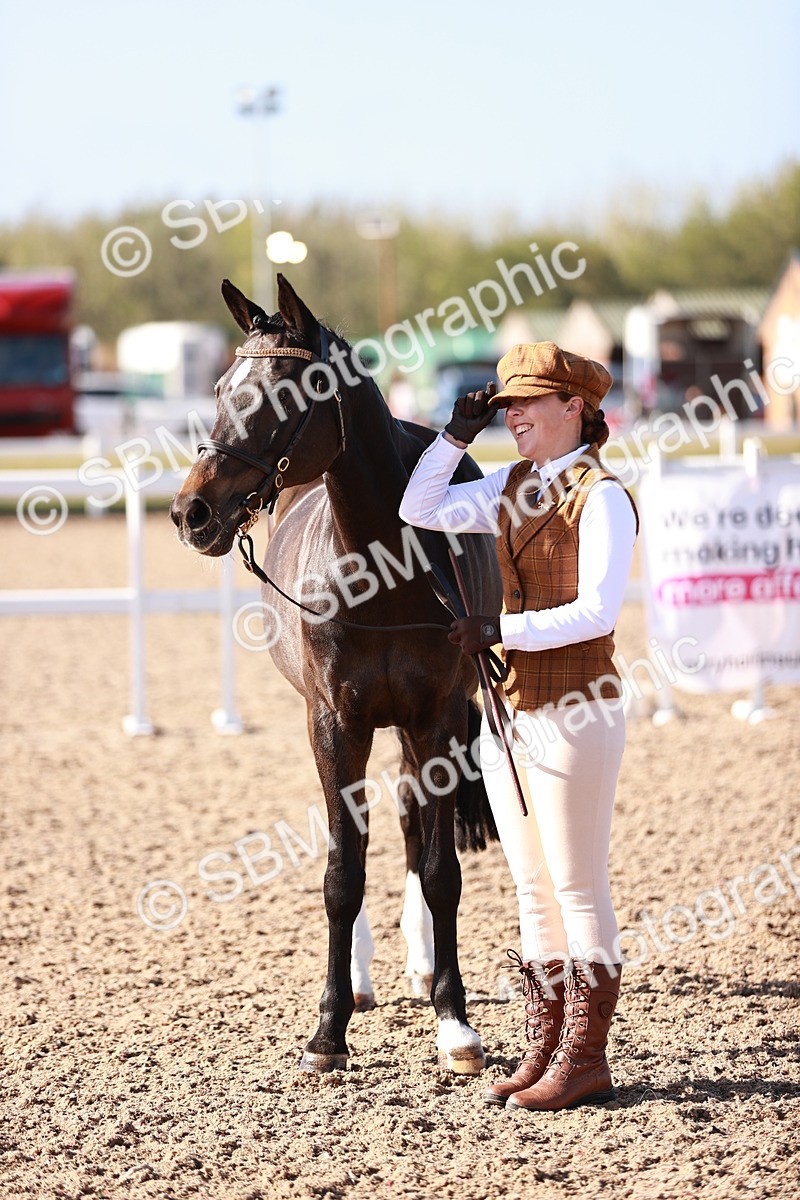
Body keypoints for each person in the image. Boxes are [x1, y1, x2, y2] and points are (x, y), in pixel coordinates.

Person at [398, 342, 638, 1113]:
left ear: (576, 408)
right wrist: (453, 439)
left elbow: (598, 611)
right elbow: (419, 509)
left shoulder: (600, 497)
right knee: (532, 890)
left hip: (575, 706)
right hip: (510, 712)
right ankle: (544, 1046)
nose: (515, 415)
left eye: (529, 403)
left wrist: (501, 627)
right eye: (507, 405)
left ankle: (586, 1056)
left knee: (575, 885)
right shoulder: (505, 483)